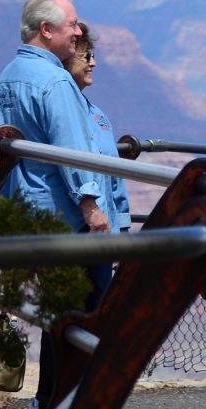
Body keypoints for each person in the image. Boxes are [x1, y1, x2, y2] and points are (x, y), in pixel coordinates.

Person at [0, 0, 110, 409]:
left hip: (25, 212)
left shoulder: (10, 74)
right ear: (46, 30)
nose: (79, 31)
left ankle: (48, 402)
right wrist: (92, 206)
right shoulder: (55, 80)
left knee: (56, 313)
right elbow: (72, 149)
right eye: (72, 25)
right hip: (62, 219)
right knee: (80, 314)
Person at [63, 23, 132, 304]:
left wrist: (123, 233)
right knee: (66, 321)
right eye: (86, 55)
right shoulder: (62, 116)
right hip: (72, 238)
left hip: (105, 238)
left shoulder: (99, 117)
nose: (93, 62)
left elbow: (115, 178)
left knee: (98, 317)